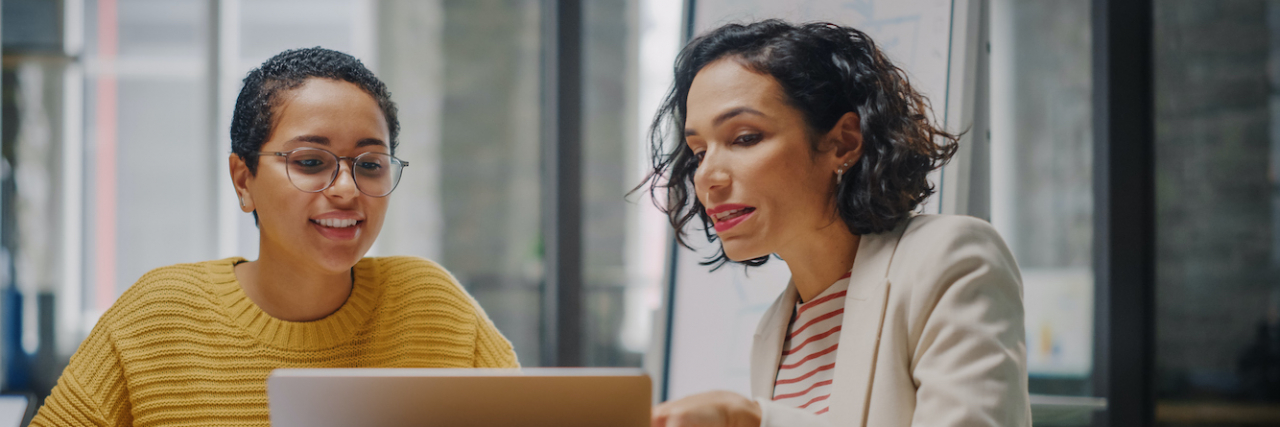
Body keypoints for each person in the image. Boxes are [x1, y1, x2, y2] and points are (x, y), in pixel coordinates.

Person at [29, 47, 518, 427]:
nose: (347, 190)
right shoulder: (157, 316)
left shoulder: (435, 307)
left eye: (370, 165)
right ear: (243, 180)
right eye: (310, 162)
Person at [643, 20, 1030, 427]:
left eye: (744, 138)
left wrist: (754, 420)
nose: (706, 177)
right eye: (699, 151)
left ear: (843, 142)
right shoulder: (776, 327)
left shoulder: (953, 259)